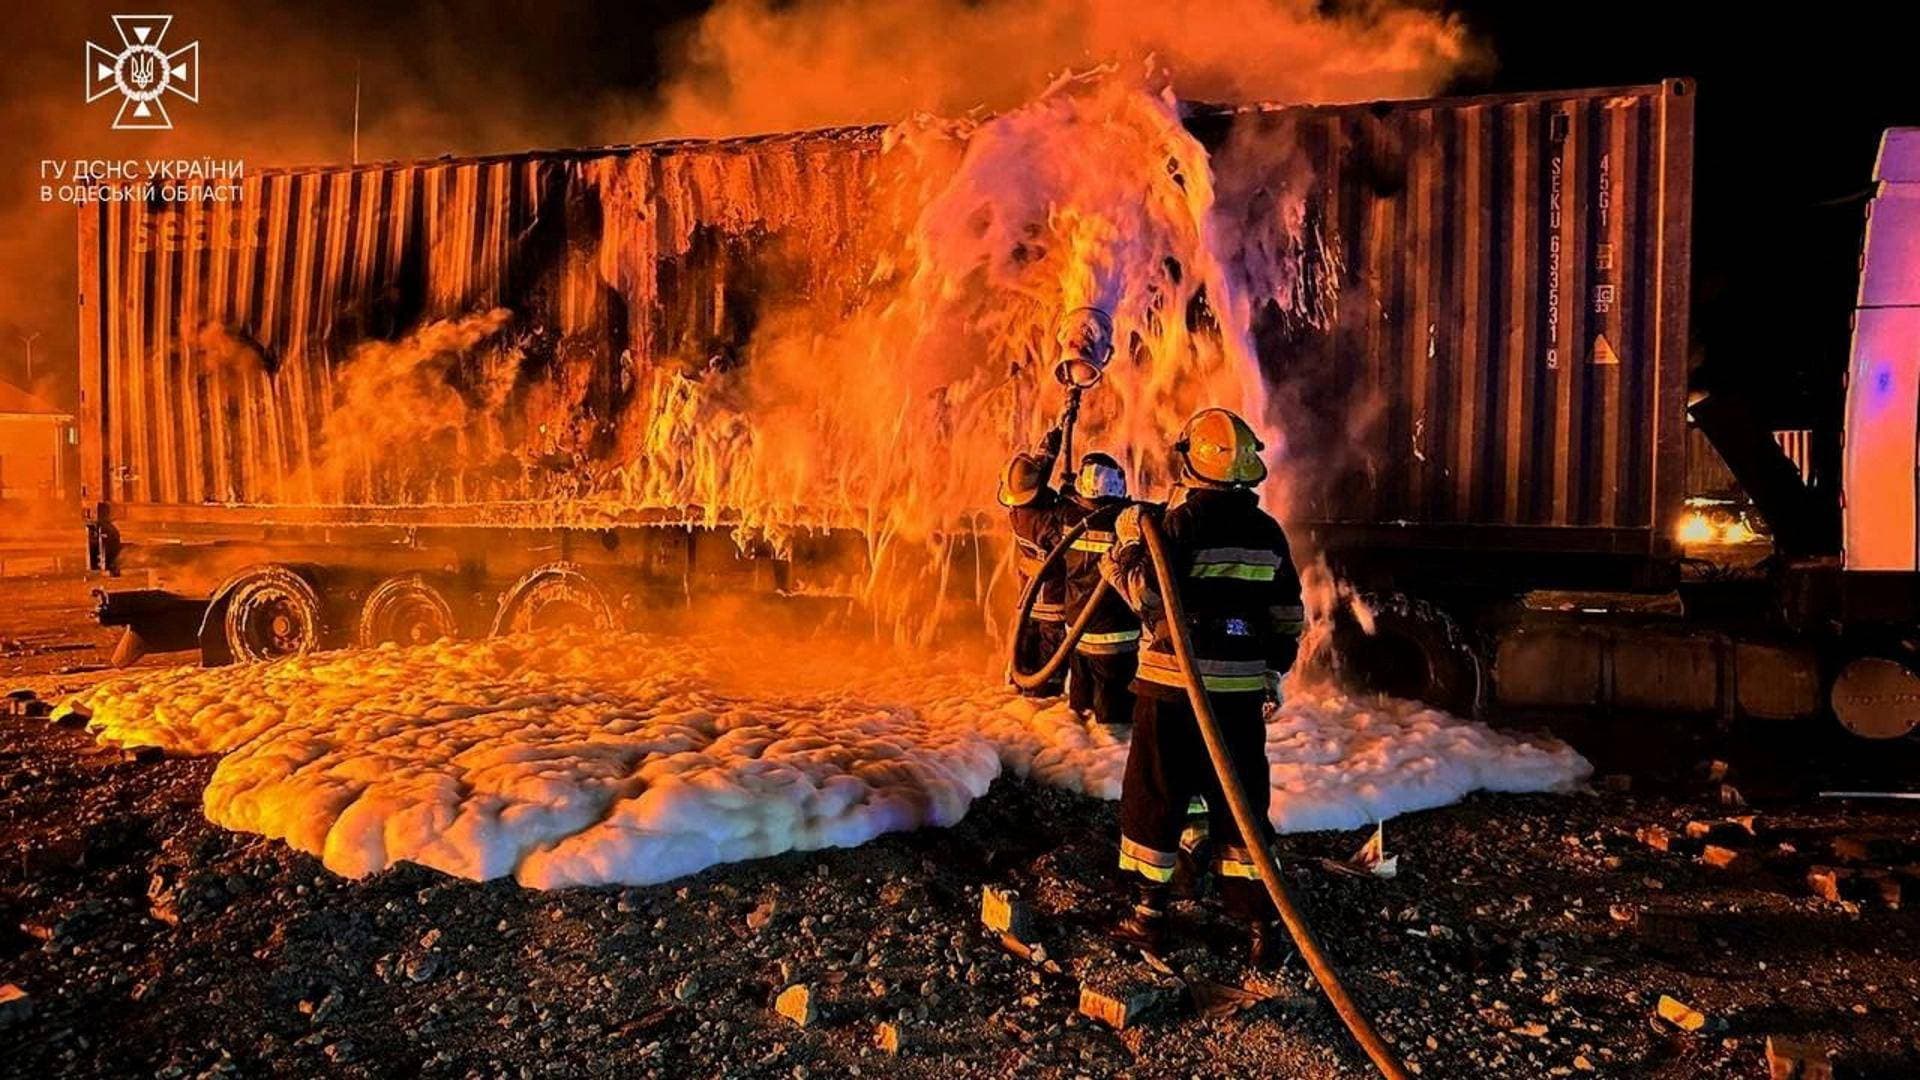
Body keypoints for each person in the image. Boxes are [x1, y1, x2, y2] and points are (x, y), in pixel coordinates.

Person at [1100, 407, 1305, 966]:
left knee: (1156, 796)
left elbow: (1148, 597)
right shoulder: (1268, 532)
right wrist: (1271, 669)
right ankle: (1261, 927)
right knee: (1241, 804)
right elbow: (1287, 615)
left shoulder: (1179, 525)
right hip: (1238, 697)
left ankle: (1148, 917)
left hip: (1172, 692)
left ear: (1190, 462)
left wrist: (1123, 548)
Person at [1055, 451, 1141, 731]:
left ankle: (1075, 749)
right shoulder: (1127, 522)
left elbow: (1065, 500)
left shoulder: (1068, 517)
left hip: (1077, 632)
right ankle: (1106, 753)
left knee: (1079, 711)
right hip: (1115, 637)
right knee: (1114, 721)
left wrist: (1067, 486)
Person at [1000, 427, 1067, 697]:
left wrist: (1054, 440)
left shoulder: (1017, 510)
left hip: (1027, 601)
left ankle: (1019, 710)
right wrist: (1072, 498)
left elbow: (1037, 474)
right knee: (1047, 679)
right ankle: (1043, 704)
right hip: (1051, 605)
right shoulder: (1048, 520)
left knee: (1023, 666)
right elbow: (1066, 559)